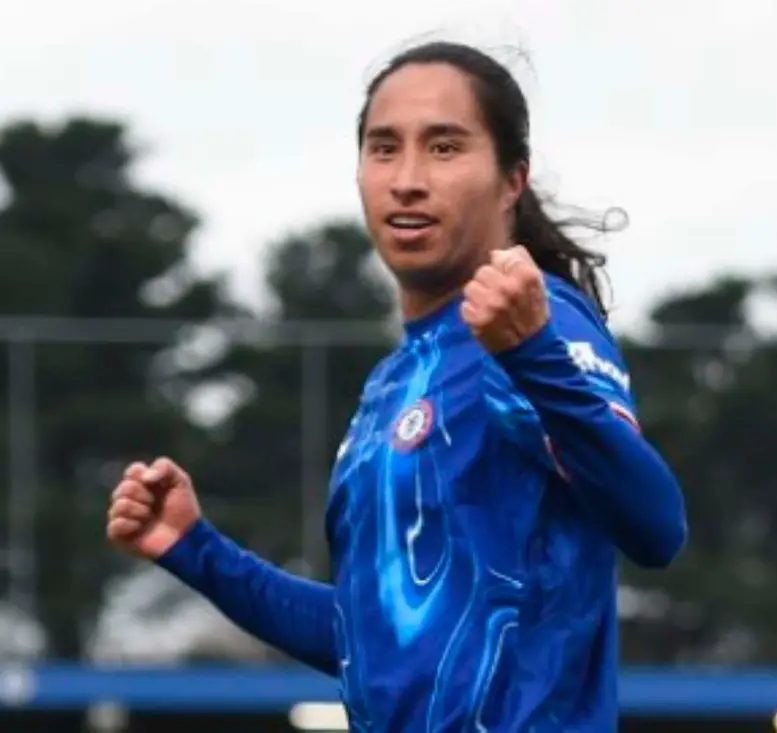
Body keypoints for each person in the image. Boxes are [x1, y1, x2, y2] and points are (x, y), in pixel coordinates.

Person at [106, 40, 688, 732]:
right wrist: (194, 548)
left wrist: (533, 354)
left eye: (444, 148)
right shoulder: (392, 383)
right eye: (384, 149)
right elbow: (374, 640)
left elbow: (657, 526)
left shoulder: (539, 321)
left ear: (512, 180)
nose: (407, 178)